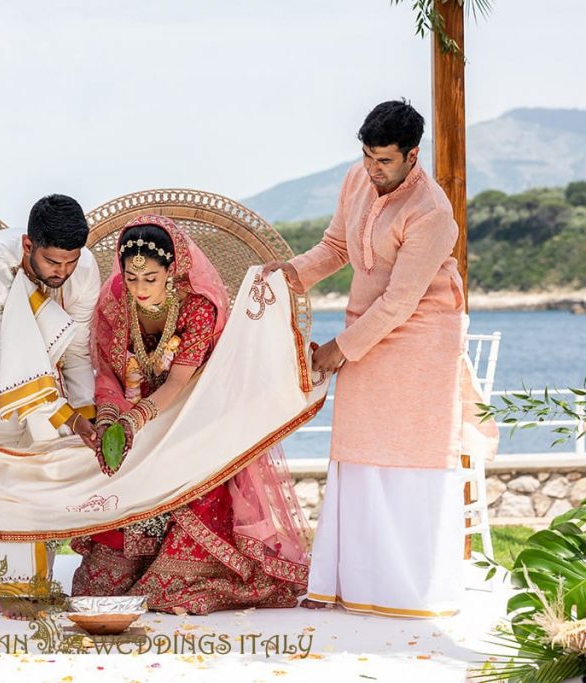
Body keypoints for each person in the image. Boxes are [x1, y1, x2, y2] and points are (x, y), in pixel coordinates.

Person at [263, 100, 495, 618]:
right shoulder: (357, 179)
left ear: (413, 156)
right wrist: (290, 276)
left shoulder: (431, 212)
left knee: (409, 454)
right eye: (368, 156)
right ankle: (353, 584)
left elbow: (399, 301)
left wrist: (337, 352)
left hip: (420, 336)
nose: (373, 169)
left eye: (384, 161)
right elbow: (335, 247)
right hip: (370, 327)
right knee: (357, 446)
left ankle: (408, 590)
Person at [70, 215, 311, 615]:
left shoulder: (198, 306)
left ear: (173, 271)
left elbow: (179, 382)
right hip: (138, 417)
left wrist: (136, 419)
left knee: (171, 590)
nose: (140, 289)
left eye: (151, 278)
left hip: (197, 417)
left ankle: (185, 563)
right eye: (132, 277)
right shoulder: (116, 299)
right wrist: (111, 415)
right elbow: (109, 370)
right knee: (96, 586)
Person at [0, 193, 100, 605]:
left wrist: (84, 415)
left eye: (71, 261)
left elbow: (79, 351)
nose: (62, 272)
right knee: (6, 454)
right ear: (28, 245)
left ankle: (35, 580)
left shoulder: (84, 272)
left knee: (47, 452)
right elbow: (2, 360)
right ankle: (13, 586)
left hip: (46, 350)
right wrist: (62, 412)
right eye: (52, 262)